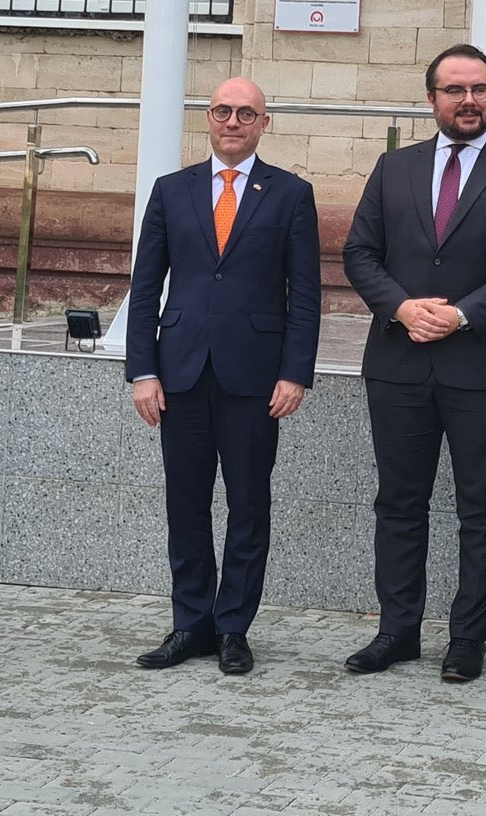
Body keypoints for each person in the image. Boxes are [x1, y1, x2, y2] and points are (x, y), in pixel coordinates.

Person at [341, 43, 486, 683]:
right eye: (456, 90)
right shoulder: (394, 168)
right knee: (398, 503)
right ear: (431, 98)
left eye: (481, 89)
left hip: (483, 366)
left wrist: (461, 314)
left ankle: (468, 638)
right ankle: (397, 631)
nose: (470, 100)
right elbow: (359, 253)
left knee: (483, 508)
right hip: (398, 361)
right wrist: (403, 308)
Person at [123, 78, 321, 676]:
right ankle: (191, 624)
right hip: (179, 374)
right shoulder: (171, 190)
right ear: (208, 118)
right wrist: (142, 371)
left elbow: (305, 294)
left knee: (248, 504)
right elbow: (145, 288)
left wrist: (295, 373)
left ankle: (234, 627)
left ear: (264, 123)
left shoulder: (291, 194)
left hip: (255, 378)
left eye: (245, 113)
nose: (233, 122)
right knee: (185, 503)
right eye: (222, 111)